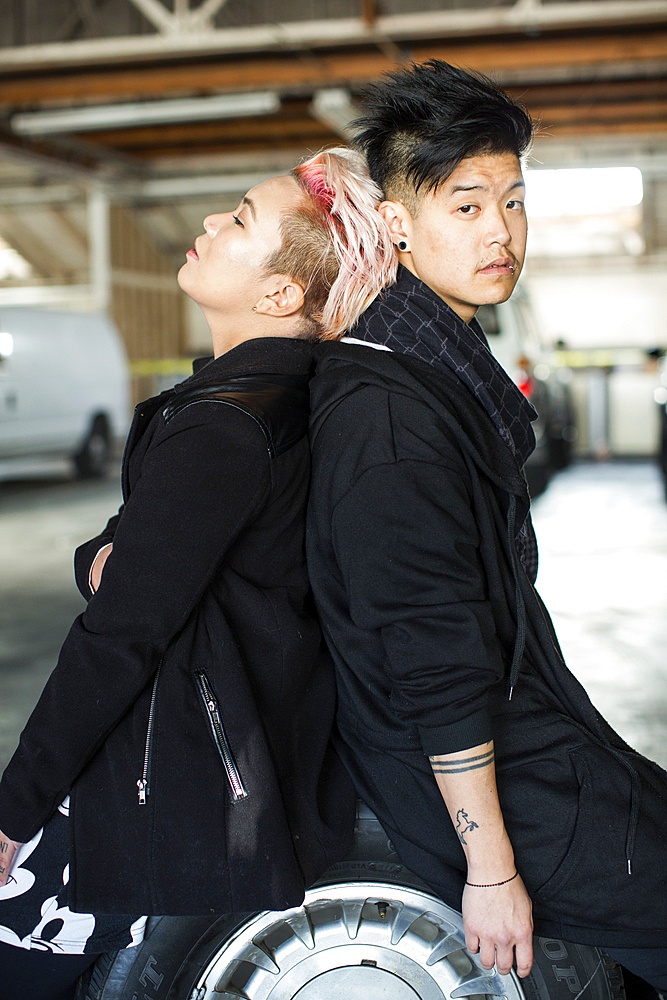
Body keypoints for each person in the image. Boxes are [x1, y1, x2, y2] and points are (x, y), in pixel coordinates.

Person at [0, 147, 396, 1000]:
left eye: (241, 219)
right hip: (246, 747)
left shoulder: (223, 428)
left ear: (279, 294)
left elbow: (121, 630)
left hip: (177, 771)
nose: (211, 224)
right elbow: (117, 553)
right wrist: (114, 561)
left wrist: (14, 807)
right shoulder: (281, 402)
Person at [306, 61, 667, 993]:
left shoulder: (438, 363)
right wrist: (491, 870)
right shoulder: (389, 420)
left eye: (511, 202)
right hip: (466, 777)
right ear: (395, 222)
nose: (500, 231)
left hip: (531, 728)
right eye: (464, 207)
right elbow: (430, 656)